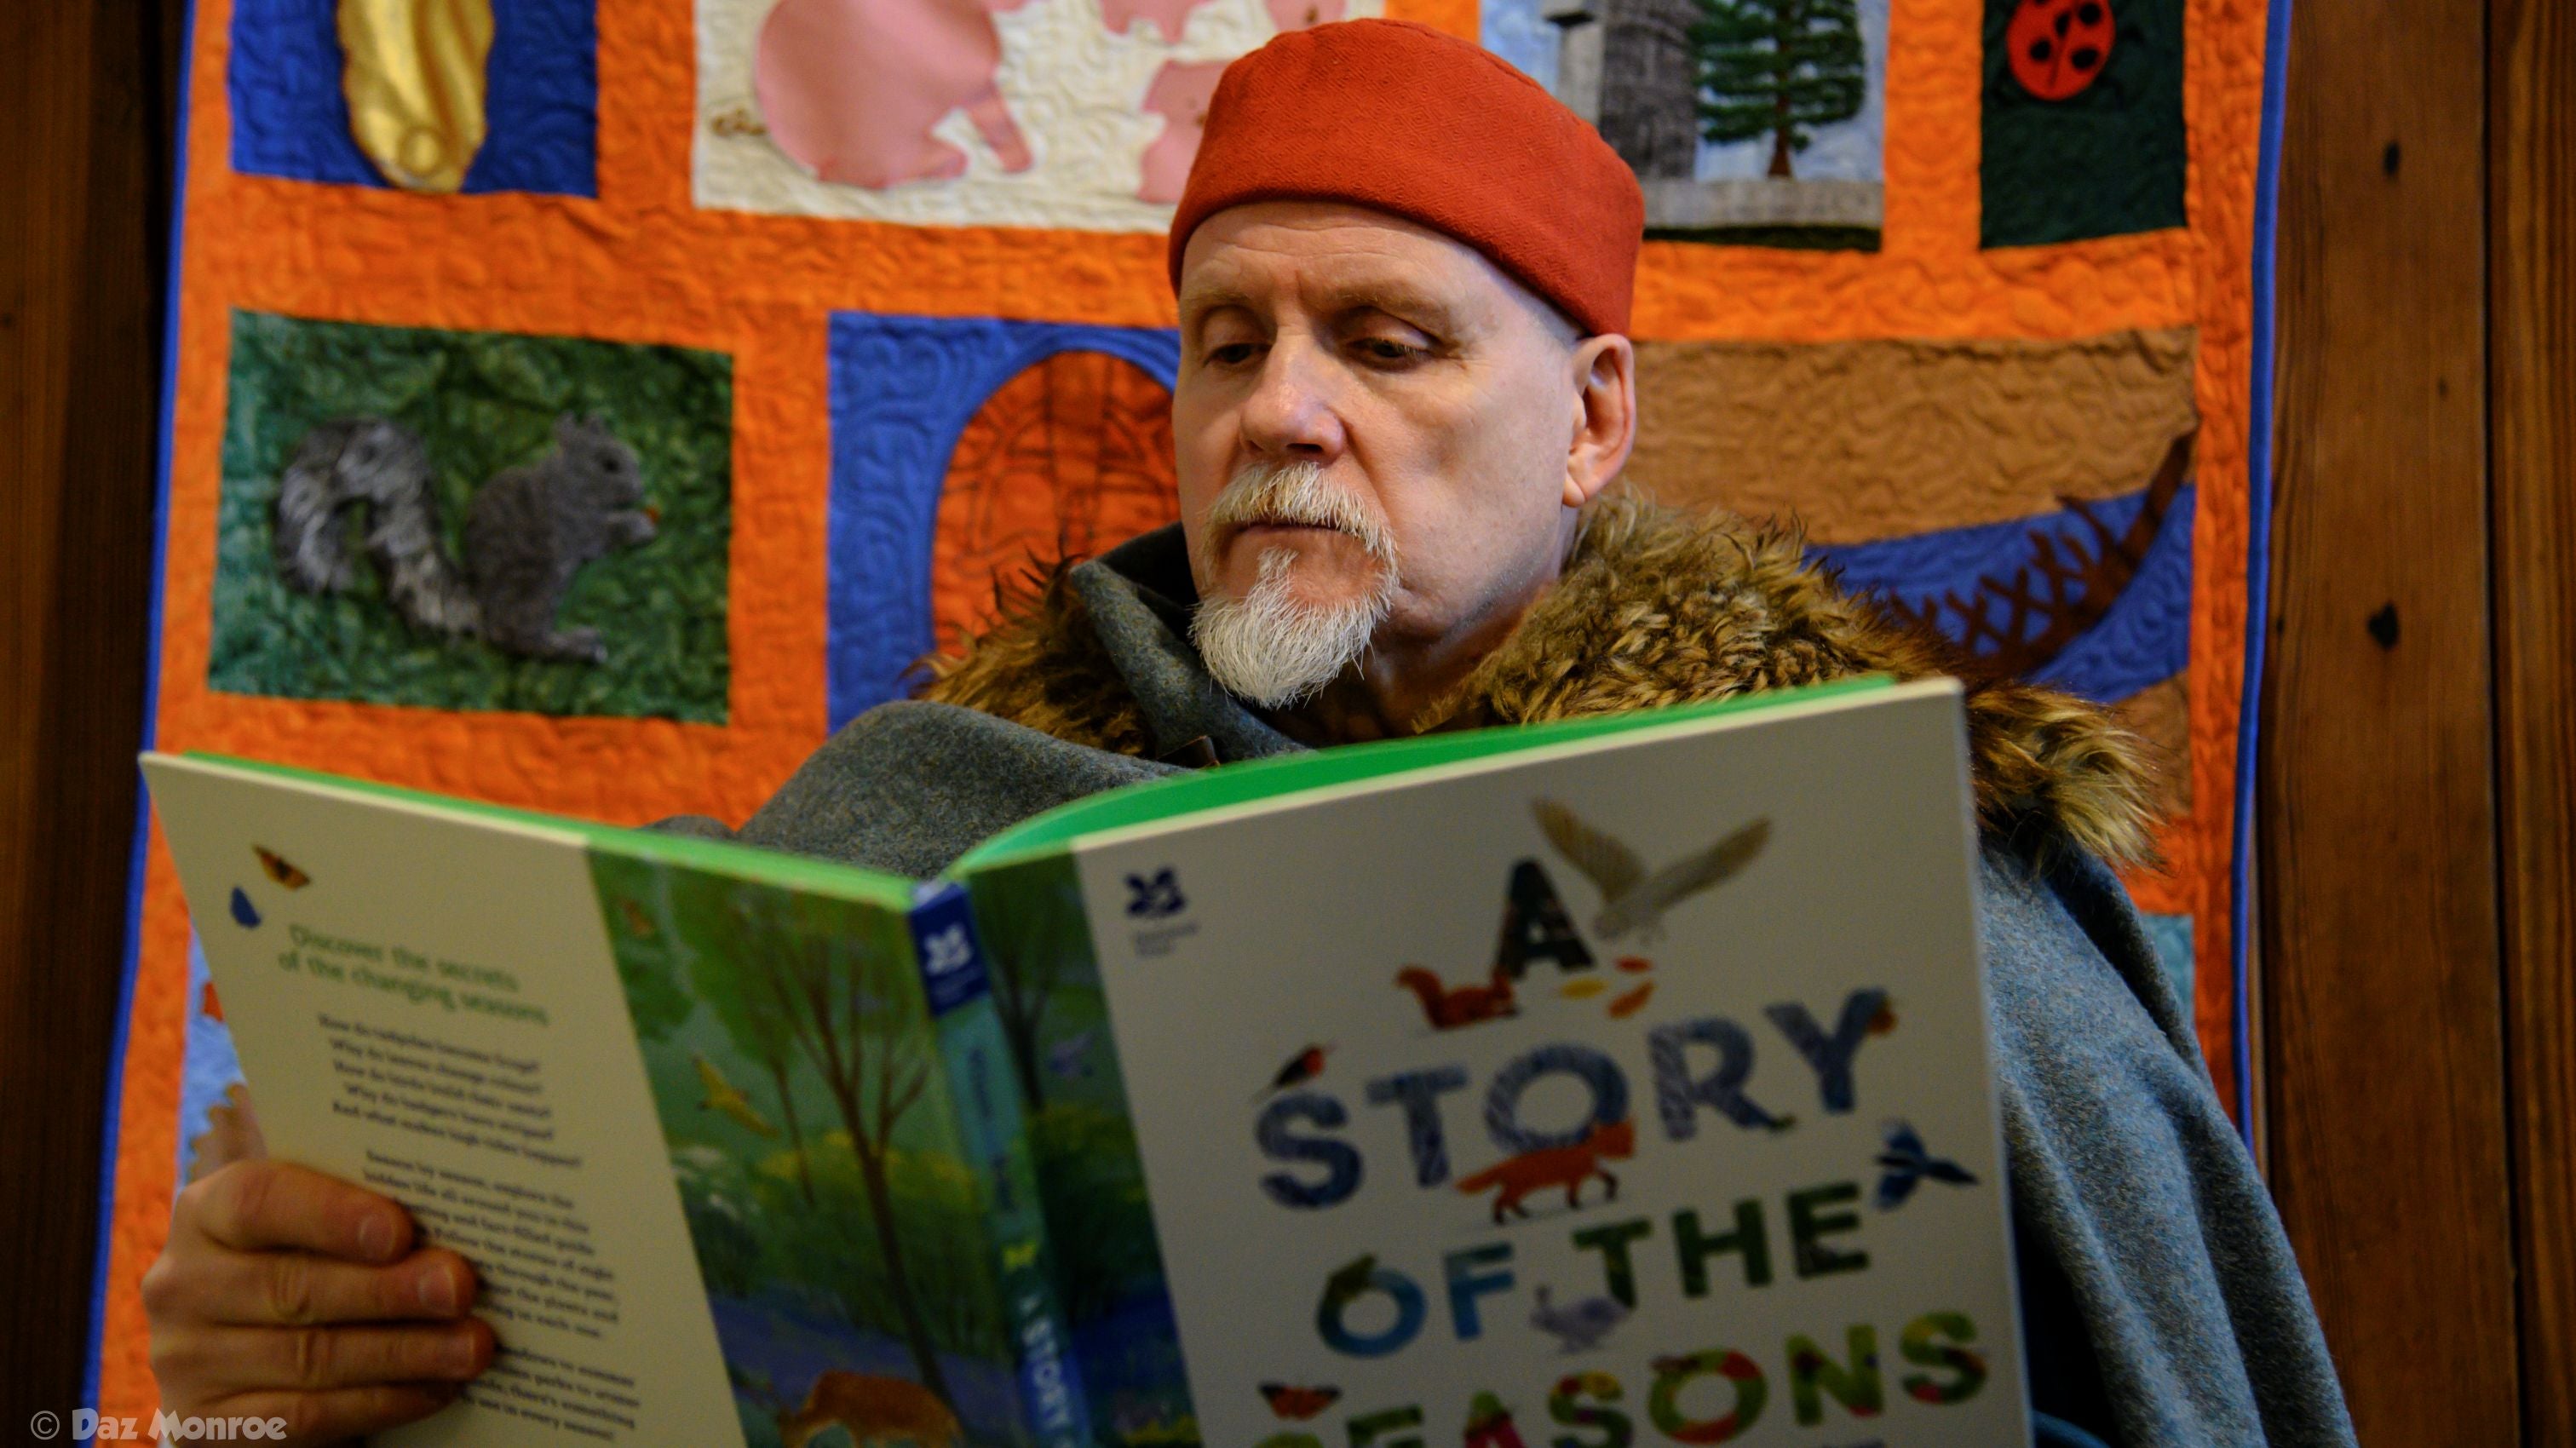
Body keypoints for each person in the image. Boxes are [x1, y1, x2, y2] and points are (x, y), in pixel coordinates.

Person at [142, 20, 2355, 1447]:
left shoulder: (1895, 859)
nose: (1282, 412)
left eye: (1387, 342)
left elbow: (2168, 1388)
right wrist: (313, 1349)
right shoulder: (912, 819)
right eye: (1229, 340)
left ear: (1592, 421)